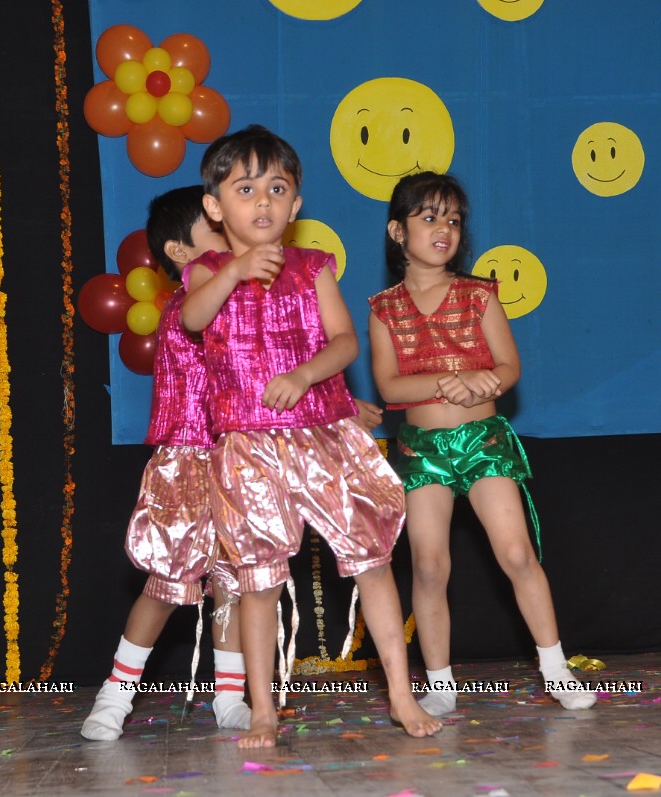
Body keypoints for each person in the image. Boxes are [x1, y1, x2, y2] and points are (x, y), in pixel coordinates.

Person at [180, 125, 442, 748]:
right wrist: (237, 269)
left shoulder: (313, 267)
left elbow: (346, 342)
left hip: (323, 436)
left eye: (277, 188)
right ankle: (263, 709)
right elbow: (191, 319)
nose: (263, 202)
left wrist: (304, 374)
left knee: (372, 562)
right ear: (217, 208)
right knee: (259, 579)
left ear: (295, 205)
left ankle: (403, 697)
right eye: (246, 189)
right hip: (247, 444)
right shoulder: (206, 271)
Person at [367, 172, 596, 716]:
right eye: (429, 218)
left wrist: (484, 379)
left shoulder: (479, 294)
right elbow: (390, 387)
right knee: (428, 566)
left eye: (453, 219)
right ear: (398, 231)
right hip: (422, 448)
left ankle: (556, 669)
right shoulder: (383, 308)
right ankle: (440, 683)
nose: (443, 229)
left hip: (484, 441)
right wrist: (449, 381)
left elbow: (509, 366)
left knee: (516, 552)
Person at [81, 186, 251, 741]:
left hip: (237, 457)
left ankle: (231, 697)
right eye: (218, 231)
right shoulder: (187, 307)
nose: (233, 241)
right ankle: (115, 694)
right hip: (185, 459)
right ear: (181, 253)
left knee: (233, 584)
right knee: (165, 583)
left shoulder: (241, 305)